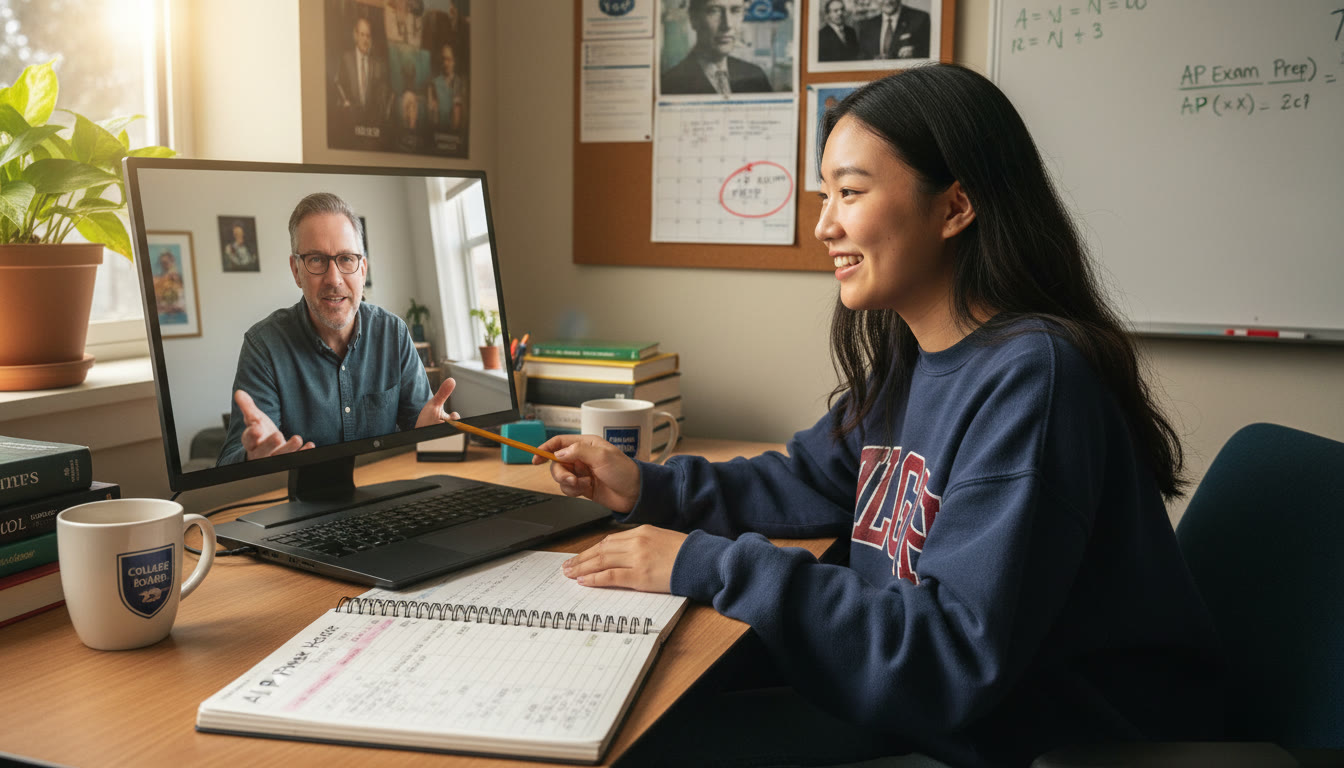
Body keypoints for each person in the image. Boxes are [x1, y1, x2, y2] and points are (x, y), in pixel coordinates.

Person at [533, 65, 1225, 767]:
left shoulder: (1035, 378)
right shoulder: (914, 358)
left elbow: (950, 656)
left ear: (955, 208)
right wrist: (646, 487)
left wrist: (705, 564)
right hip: (935, 710)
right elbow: (810, 479)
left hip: (1028, 739)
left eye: (851, 193)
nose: (824, 223)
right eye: (824, 193)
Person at [218, 192, 456, 465]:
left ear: (362, 270)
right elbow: (227, 463)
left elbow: (422, 434)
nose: (334, 279)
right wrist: (252, 459)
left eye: (346, 259)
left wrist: (429, 435)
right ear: (296, 270)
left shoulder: (394, 333)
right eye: (316, 260)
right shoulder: (263, 347)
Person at [661, 0, 773, 96]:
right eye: (714, 11)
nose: (727, 25)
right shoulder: (670, 83)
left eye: (735, 10)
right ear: (694, 19)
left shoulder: (756, 76)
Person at [335, 16, 390, 130]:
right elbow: (338, 85)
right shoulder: (346, 59)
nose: (365, 40)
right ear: (355, 35)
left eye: (368, 36)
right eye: (362, 34)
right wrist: (345, 104)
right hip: (349, 123)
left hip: (370, 125)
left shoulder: (377, 64)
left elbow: (381, 96)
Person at [857, 0, 930, 60]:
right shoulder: (867, 26)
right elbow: (862, 58)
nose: (887, 1)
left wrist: (915, 53)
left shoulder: (920, 19)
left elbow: (930, 53)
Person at [428, 42, 466, 131]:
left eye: (449, 59)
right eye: (443, 59)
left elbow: (458, 117)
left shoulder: (459, 83)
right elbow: (432, 116)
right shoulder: (434, 83)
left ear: (454, 61)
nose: (445, 63)